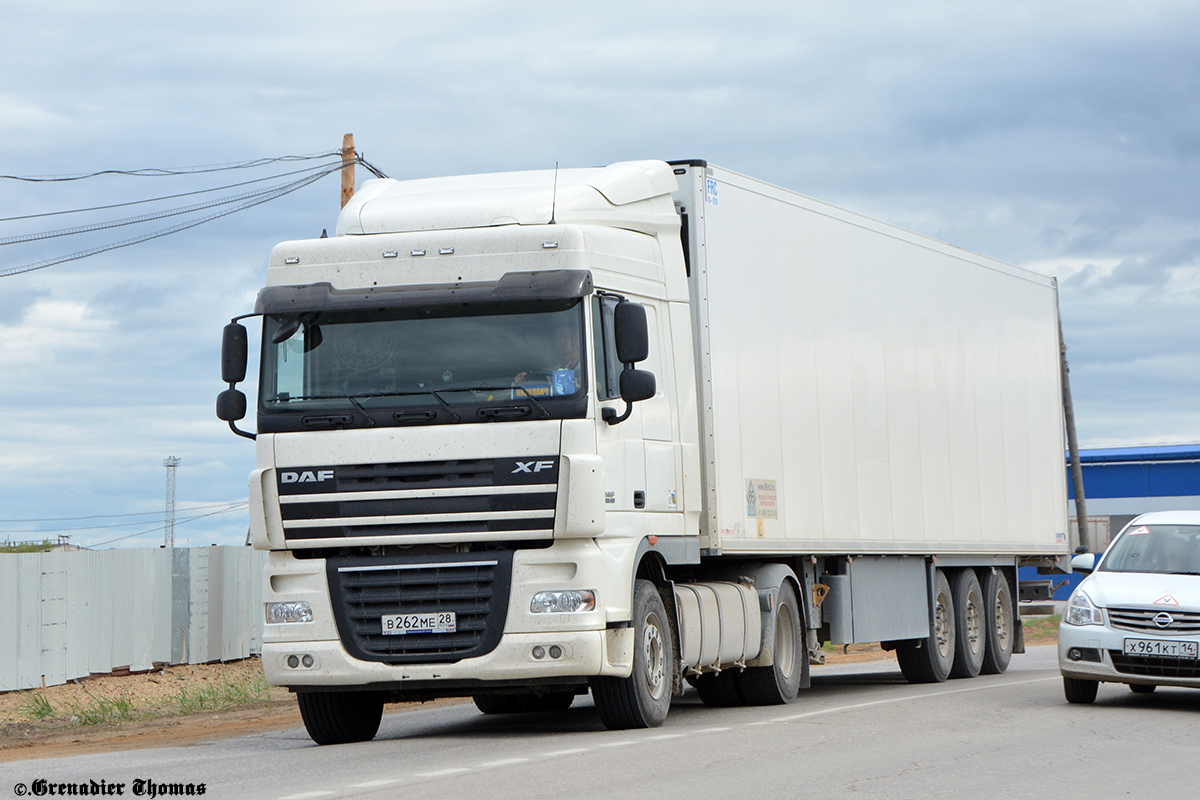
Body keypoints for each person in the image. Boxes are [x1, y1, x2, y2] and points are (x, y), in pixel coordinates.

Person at [514, 323, 582, 395]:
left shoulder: (589, 368)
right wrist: (523, 380)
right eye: (558, 338)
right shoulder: (549, 373)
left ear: (578, 340)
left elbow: (594, 389)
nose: (562, 340)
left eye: (566, 336)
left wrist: (579, 388)